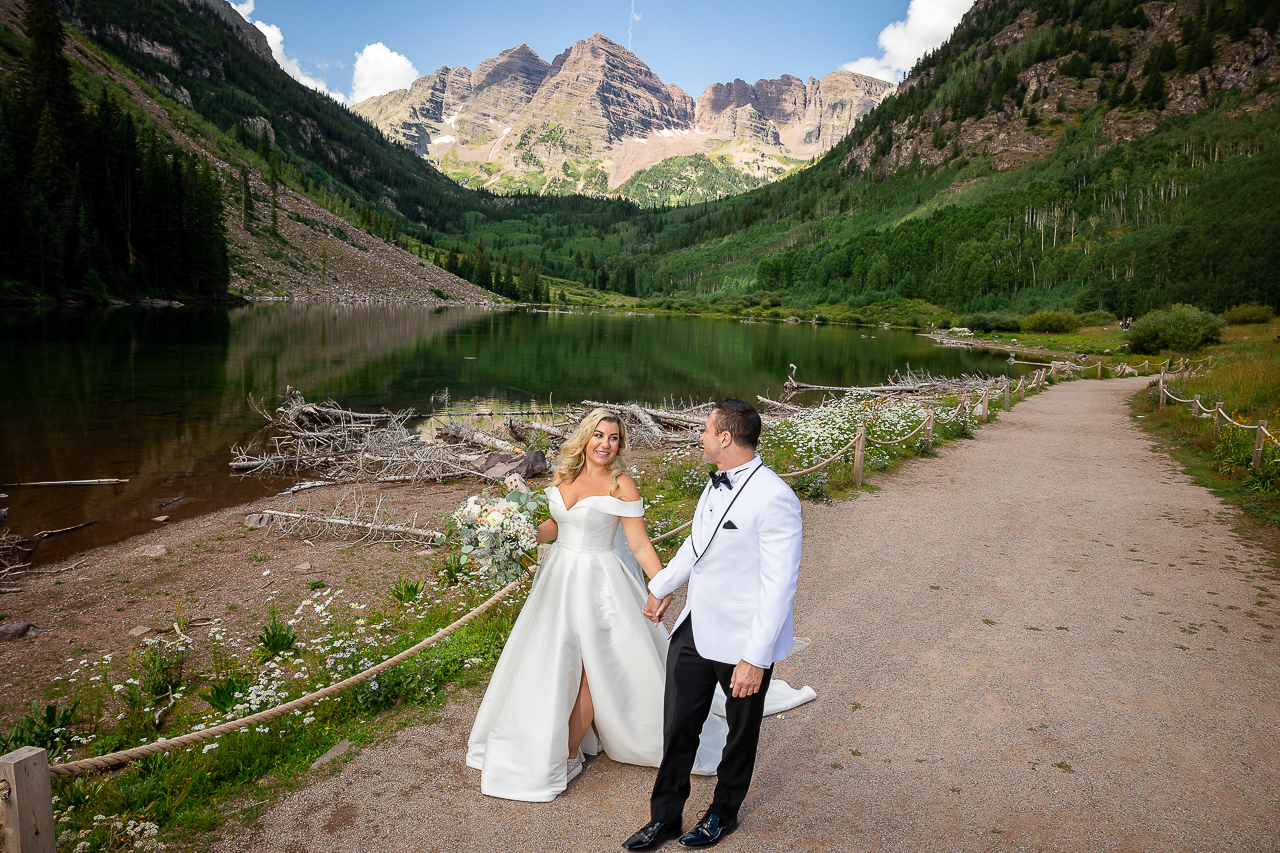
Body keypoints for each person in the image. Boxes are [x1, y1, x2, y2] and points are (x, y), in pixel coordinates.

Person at [624, 399, 804, 850]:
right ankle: (664, 817)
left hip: (744, 640)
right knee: (679, 726)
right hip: (694, 627)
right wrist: (663, 585)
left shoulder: (776, 497)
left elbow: (779, 586)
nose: (700, 436)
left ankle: (722, 814)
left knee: (740, 735)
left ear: (725, 438)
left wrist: (755, 659)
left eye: (706, 430)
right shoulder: (714, 485)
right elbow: (696, 546)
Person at [466, 408, 668, 801]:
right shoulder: (564, 475)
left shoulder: (620, 485)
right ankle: (544, 737)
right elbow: (558, 526)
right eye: (599, 435)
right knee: (553, 662)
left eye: (613, 438)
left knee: (595, 667)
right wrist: (510, 534)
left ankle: (570, 751)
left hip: (600, 582)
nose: (605, 444)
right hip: (558, 577)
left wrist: (661, 585)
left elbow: (639, 544)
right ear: (585, 438)